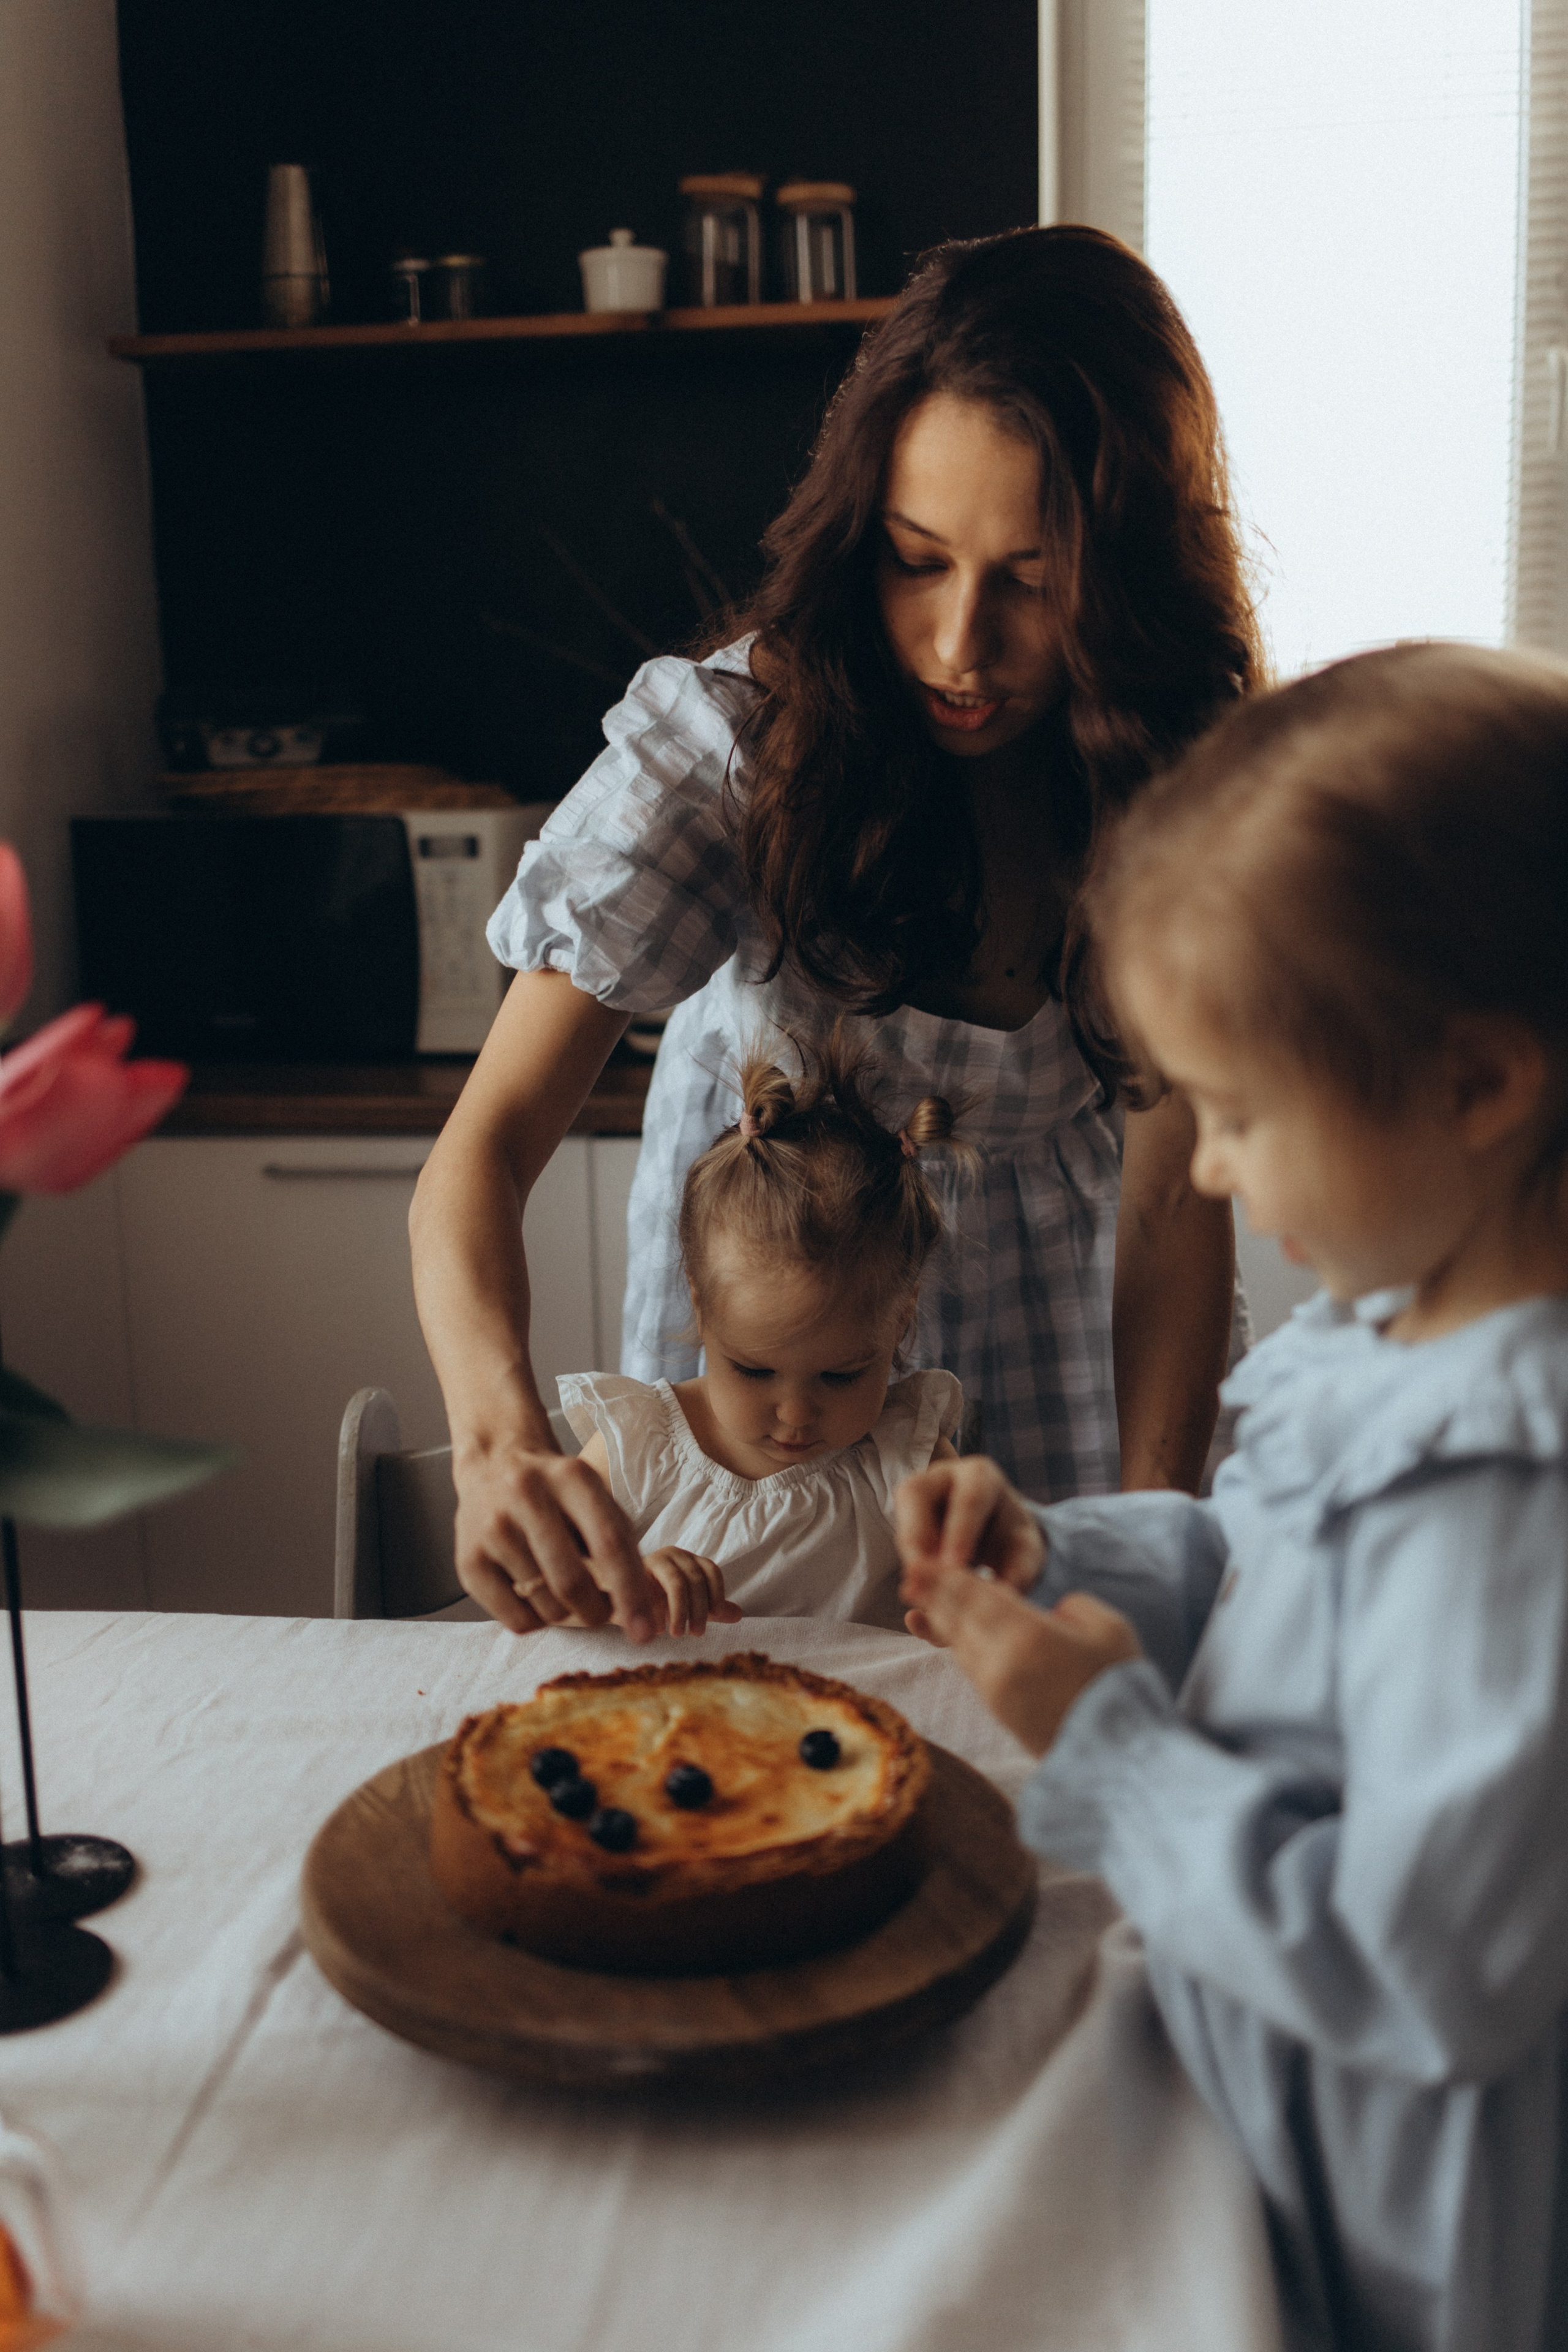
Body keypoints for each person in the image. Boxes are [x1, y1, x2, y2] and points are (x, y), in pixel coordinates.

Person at [410, 222, 1262, 1640]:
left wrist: (1134, 1550)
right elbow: (481, 1148)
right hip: (774, 1357)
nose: (956, 647)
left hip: (1058, 1338)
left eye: (1031, 581)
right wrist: (497, 1437)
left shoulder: (1181, 790)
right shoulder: (736, 747)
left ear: (1122, 576)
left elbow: (1175, 1210)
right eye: (917, 561)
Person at [895, 641, 1568, 2352]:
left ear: (1480, 1085)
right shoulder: (1388, 1324)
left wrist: (1113, 1745)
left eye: (1244, 1112)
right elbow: (1266, 1565)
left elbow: (1422, 1968)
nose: (1201, 1167)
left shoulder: (1508, 1499)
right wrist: (1068, 1549)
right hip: (1246, 2075)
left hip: (1370, 2222)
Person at [554, 1041, 964, 1637]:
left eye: (840, 1375)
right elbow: (541, 1588)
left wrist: (969, 1609)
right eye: (754, 1370)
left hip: (859, 1725)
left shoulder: (909, 1457)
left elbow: (989, 1597)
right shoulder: (639, 1446)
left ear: (901, 1320)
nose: (795, 1414)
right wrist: (614, 1585)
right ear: (700, 1307)